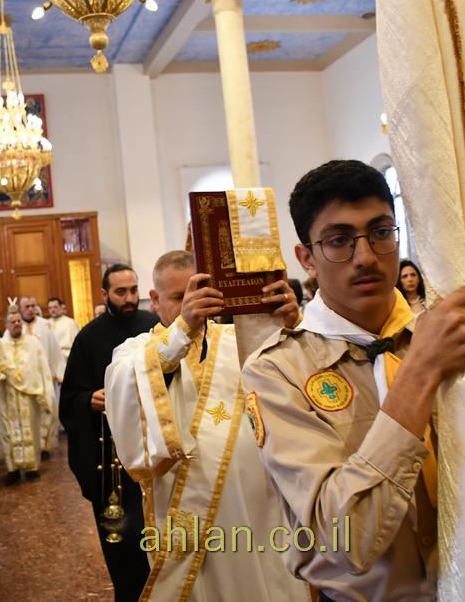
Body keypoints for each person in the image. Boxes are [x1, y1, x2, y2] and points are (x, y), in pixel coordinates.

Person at [241, 160, 465, 601]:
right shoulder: (279, 369)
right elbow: (347, 538)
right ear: (306, 259)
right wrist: (419, 372)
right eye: (338, 241)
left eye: (381, 232)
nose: (367, 257)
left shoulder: (448, 334)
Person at [105, 251, 308, 601]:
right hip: (185, 509)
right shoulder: (136, 351)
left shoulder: (238, 339)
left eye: (198, 294)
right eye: (179, 297)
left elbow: (300, 377)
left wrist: (293, 325)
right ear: (154, 299)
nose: (192, 306)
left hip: (255, 503)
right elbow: (125, 382)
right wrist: (182, 328)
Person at [61, 264, 159, 602]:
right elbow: (69, 399)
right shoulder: (88, 338)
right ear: (104, 294)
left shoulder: (154, 327)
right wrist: (89, 400)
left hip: (155, 454)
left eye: (133, 290)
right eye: (120, 292)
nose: (129, 298)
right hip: (113, 467)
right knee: (124, 546)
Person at [0, 301, 55, 485]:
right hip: (7, 397)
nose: (17, 324)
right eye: (13, 322)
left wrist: (46, 392)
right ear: (6, 324)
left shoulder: (33, 343)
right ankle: (12, 469)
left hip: (29, 396)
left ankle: (32, 467)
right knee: (9, 433)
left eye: (19, 321)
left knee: (31, 429)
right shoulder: (0, 345)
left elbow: (42, 368)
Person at [18, 295, 64, 457]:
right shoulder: (16, 326)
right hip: (24, 381)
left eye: (33, 306)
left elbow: (54, 350)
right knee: (28, 415)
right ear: (20, 309)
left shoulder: (45, 326)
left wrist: (58, 372)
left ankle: (44, 446)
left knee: (45, 412)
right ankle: (30, 446)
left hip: (44, 377)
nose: (31, 309)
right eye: (27, 307)